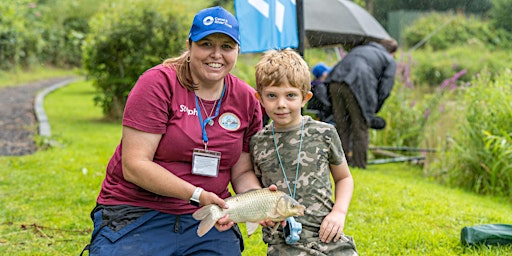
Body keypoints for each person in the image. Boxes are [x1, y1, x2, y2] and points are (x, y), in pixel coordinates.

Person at [82, 6, 265, 256]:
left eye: (226, 46)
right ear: (190, 45)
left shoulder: (245, 98)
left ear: (237, 51)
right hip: (138, 211)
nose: (216, 54)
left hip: (207, 218)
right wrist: (198, 195)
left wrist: (258, 200)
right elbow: (135, 165)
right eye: (206, 44)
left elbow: (241, 171)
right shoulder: (158, 83)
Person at [251, 48, 358, 256]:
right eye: (272, 96)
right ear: (260, 99)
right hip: (283, 243)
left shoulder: (324, 133)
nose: (281, 104)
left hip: (328, 236)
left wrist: (339, 213)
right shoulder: (257, 143)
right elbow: (255, 189)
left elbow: (344, 178)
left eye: (290, 95)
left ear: (305, 97)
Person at [326, 38, 398, 169]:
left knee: (342, 126)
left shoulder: (360, 49)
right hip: (358, 83)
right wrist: (374, 109)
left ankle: (339, 163)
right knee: (360, 126)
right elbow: (386, 88)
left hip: (335, 81)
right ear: (392, 52)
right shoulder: (389, 59)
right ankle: (359, 164)